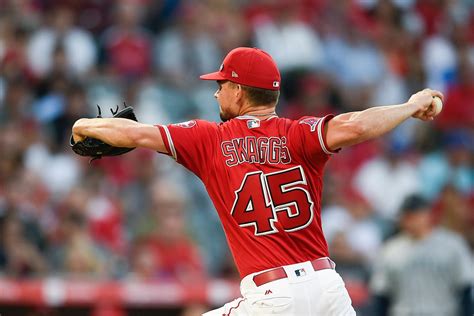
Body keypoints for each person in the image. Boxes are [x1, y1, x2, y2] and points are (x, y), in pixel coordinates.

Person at [72, 47, 444, 315]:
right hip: (328, 289)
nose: (216, 91)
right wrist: (412, 105)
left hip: (273, 297)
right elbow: (358, 125)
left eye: (221, 84)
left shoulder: (208, 139)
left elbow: (134, 134)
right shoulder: (300, 133)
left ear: (238, 90)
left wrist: (81, 127)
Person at [371, 194, 472, 316]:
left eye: (415, 215)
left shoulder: (452, 245)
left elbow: (465, 287)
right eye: (407, 216)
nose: (411, 220)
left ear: (428, 215)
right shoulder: (390, 250)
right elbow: (382, 294)